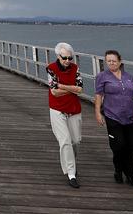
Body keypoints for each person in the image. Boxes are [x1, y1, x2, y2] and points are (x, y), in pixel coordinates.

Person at [94, 50, 133, 187]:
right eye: (108, 61)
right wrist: (97, 113)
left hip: (130, 117)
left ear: (120, 61)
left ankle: (130, 174)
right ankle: (118, 171)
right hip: (112, 116)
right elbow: (98, 95)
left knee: (132, 145)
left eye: (114, 60)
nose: (111, 63)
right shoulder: (102, 76)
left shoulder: (129, 77)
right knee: (118, 145)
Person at [47, 42, 84, 188]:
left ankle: (72, 164)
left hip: (74, 109)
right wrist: (72, 89)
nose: (68, 61)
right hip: (57, 109)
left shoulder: (75, 68)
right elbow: (54, 92)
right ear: (58, 56)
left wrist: (62, 85)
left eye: (70, 58)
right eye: (64, 58)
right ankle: (71, 173)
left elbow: (80, 89)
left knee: (76, 141)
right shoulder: (51, 68)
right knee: (65, 141)